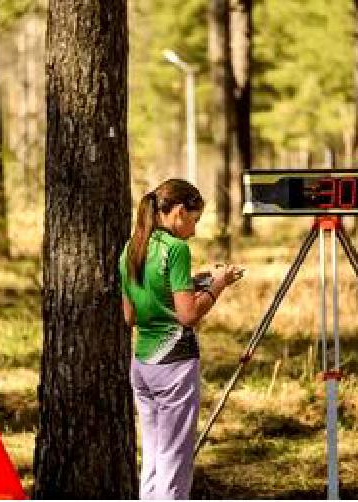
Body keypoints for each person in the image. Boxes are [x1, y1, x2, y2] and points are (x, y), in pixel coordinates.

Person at [119, 179, 243, 499]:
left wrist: (192, 283)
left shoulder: (131, 247)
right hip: (174, 363)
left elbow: (129, 317)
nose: (194, 229)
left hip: (142, 363)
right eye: (194, 219)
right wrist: (217, 284)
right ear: (177, 212)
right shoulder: (176, 249)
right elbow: (188, 315)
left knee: (154, 457)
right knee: (175, 461)